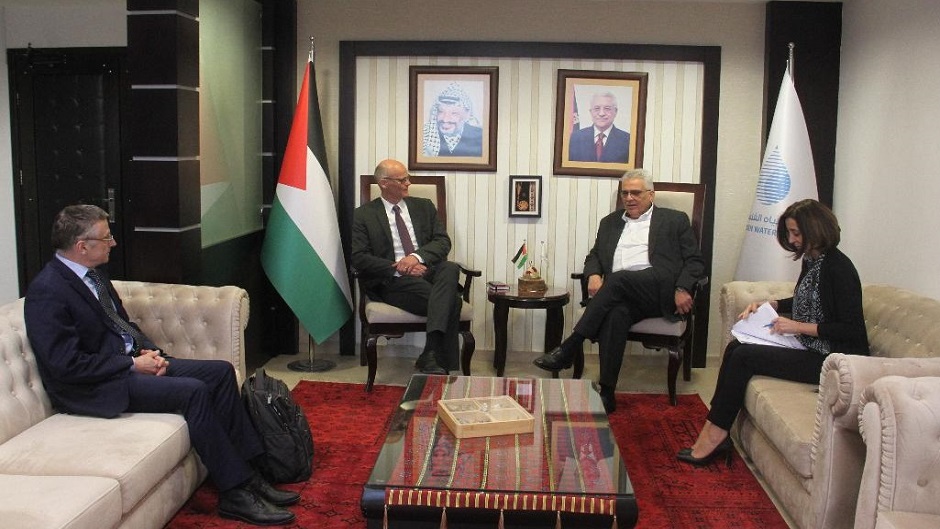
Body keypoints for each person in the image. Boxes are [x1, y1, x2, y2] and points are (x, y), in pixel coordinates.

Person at [24, 205, 299, 526]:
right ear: (82, 246)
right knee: (193, 391)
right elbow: (66, 365)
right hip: (94, 387)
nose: (113, 243)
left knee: (221, 372)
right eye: (106, 237)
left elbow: (122, 325)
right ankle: (235, 493)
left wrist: (151, 353)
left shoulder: (94, 275)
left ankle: (251, 473)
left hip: (128, 363)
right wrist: (130, 365)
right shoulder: (48, 291)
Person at [677, 199, 869, 467]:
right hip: (810, 347)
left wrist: (797, 327)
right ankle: (717, 426)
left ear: (815, 229)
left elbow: (852, 330)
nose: (791, 240)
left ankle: (715, 435)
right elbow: (807, 300)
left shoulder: (839, 269)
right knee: (735, 347)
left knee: (744, 357)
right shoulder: (813, 260)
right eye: (789, 233)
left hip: (832, 362)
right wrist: (773, 305)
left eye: (796, 233)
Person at [532, 169, 706, 413]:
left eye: (636, 192)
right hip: (621, 294)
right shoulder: (610, 222)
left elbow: (695, 261)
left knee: (618, 278)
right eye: (625, 193)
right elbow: (594, 256)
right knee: (616, 314)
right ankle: (607, 392)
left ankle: (571, 346)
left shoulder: (674, 220)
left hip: (658, 289)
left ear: (651, 195)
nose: (629, 198)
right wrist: (594, 274)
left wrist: (682, 287)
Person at [351, 158, 464, 375]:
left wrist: (415, 258)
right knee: (452, 301)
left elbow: (442, 241)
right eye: (402, 180)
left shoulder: (424, 207)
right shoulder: (363, 214)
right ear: (384, 183)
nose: (408, 183)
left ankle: (430, 353)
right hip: (393, 280)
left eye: (407, 178)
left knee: (450, 268)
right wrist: (399, 267)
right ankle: (433, 355)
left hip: (426, 269)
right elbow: (359, 257)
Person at [422, 82, 483, 157]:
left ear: (467, 115)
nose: (445, 119)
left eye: (454, 113)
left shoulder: (481, 136)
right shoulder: (424, 135)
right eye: (441, 111)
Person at [568, 91, 631, 163]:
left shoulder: (628, 140)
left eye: (607, 108)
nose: (601, 113)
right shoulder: (576, 138)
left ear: (615, 112)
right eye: (597, 108)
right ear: (591, 112)